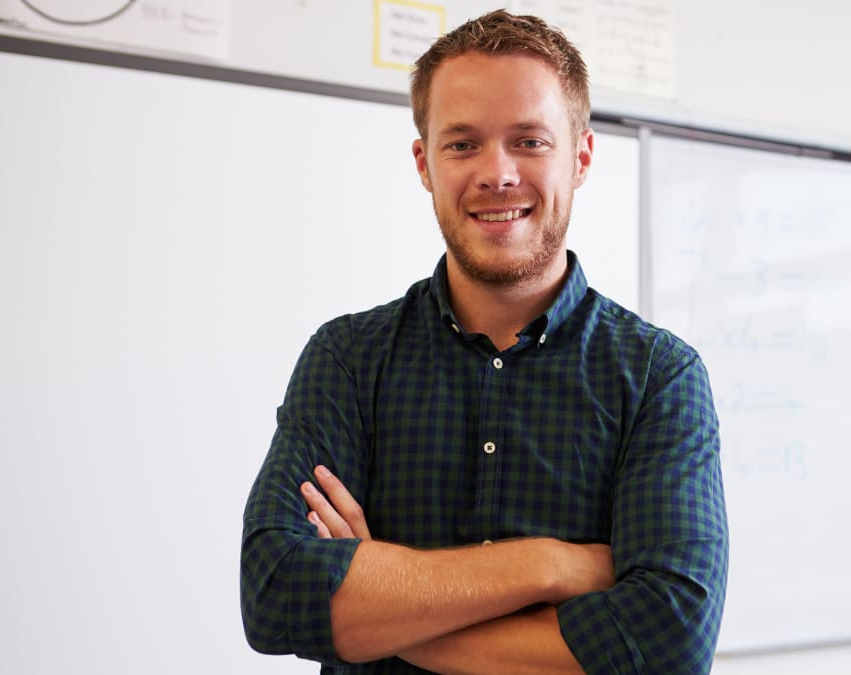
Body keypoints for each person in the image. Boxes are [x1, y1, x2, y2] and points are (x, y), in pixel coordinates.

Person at [240, 10, 728, 674]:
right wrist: (555, 563)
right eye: (463, 143)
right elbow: (275, 596)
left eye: (529, 141)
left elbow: (670, 641)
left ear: (581, 156)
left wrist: (384, 607)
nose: (497, 173)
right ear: (425, 162)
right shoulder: (347, 358)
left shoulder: (657, 376)